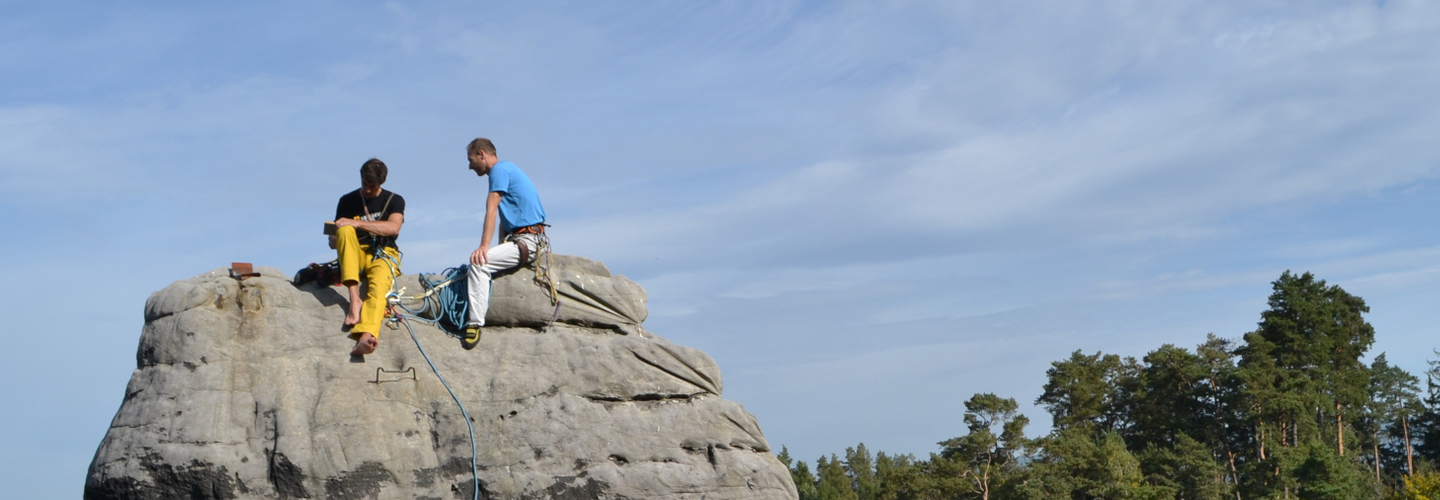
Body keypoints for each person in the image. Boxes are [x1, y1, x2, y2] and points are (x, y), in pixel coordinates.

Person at [462, 138, 546, 350]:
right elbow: (505, 220)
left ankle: (474, 323)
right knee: (485, 260)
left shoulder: (499, 170)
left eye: (471, 160)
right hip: (526, 237)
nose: (470, 166)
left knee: (479, 263)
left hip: (527, 240)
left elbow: (491, 210)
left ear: (482, 154)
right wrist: (499, 246)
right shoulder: (507, 169)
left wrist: (484, 248)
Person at [331, 158, 405, 356]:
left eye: (372, 186)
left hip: (383, 253)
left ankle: (365, 336)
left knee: (379, 287)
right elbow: (333, 241)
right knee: (344, 231)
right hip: (355, 253)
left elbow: (393, 227)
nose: (368, 190)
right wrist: (336, 234)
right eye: (365, 184)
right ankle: (354, 299)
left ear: (381, 183)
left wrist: (357, 223)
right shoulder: (347, 201)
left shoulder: (395, 200)